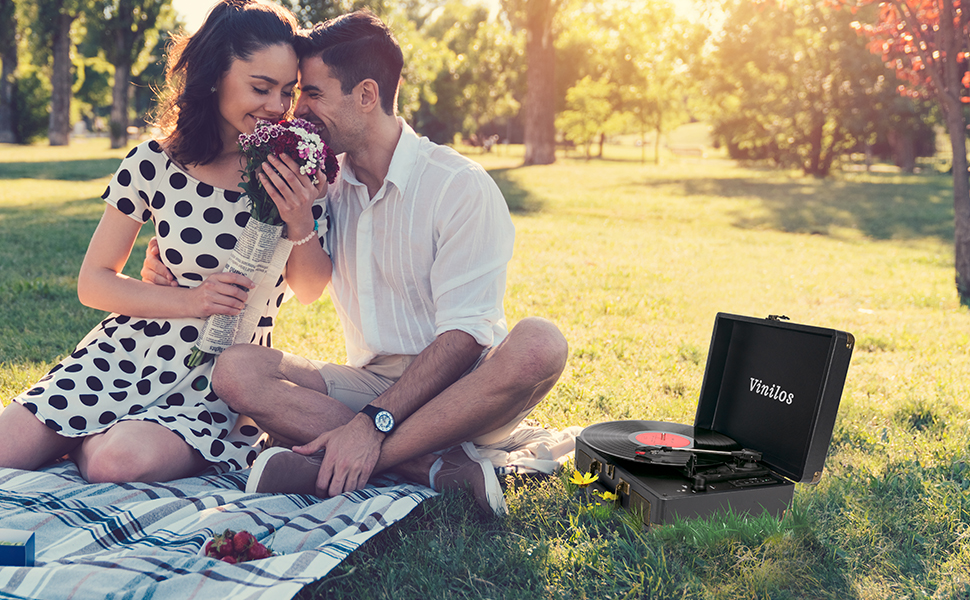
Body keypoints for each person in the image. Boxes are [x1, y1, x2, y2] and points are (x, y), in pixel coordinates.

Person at [143, 10, 569, 515]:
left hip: (465, 391)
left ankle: (350, 456)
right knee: (237, 370)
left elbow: (465, 337)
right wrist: (169, 262)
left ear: (366, 95)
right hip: (369, 381)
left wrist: (371, 424)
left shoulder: (458, 186)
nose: (296, 110)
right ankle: (433, 467)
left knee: (541, 342)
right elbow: (269, 263)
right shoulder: (323, 184)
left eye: (312, 93)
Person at [0, 0, 332, 483]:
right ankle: (87, 432)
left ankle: (86, 443)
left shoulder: (293, 166)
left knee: (118, 462)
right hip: (125, 354)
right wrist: (192, 300)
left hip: (218, 376)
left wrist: (300, 220)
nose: (277, 107)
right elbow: (94, 283)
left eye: (287, 91)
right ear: (215, 76)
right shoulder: (153, 162)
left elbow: (310, 290)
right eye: (260, 88)